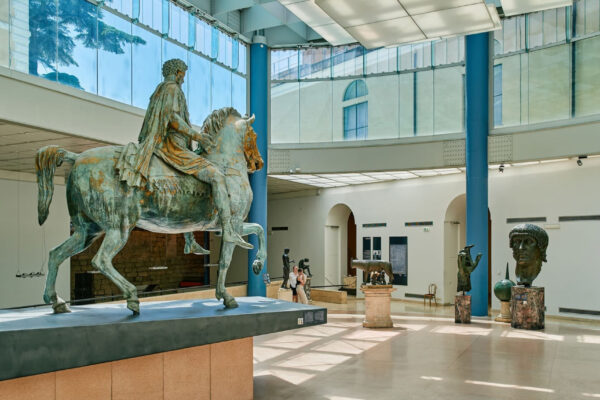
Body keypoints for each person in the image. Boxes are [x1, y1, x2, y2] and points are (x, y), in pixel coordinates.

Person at [116, 58, 251, 251]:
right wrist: (198, 136)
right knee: (216, 176)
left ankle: (189, 241)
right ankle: (228, 229)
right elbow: (173, 118)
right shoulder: (172, 89)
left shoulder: (159, 90)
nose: (184, 79)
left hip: (171, 145)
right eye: (184, 75)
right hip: (173, 147)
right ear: (179, 72)